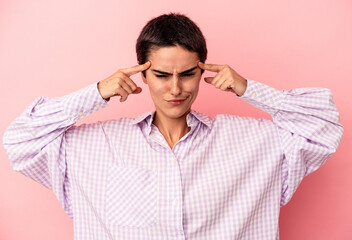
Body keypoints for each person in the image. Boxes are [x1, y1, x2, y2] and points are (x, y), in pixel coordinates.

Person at [3, 12, 343, 240]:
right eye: (162, 75)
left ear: (202, 71)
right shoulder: (92, 145)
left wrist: (247, 88)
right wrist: (96, 93)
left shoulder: (254, 141)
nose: (176, 89)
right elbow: (19, 141)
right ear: (143, 74)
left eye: (188, 74)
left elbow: (323, 126)